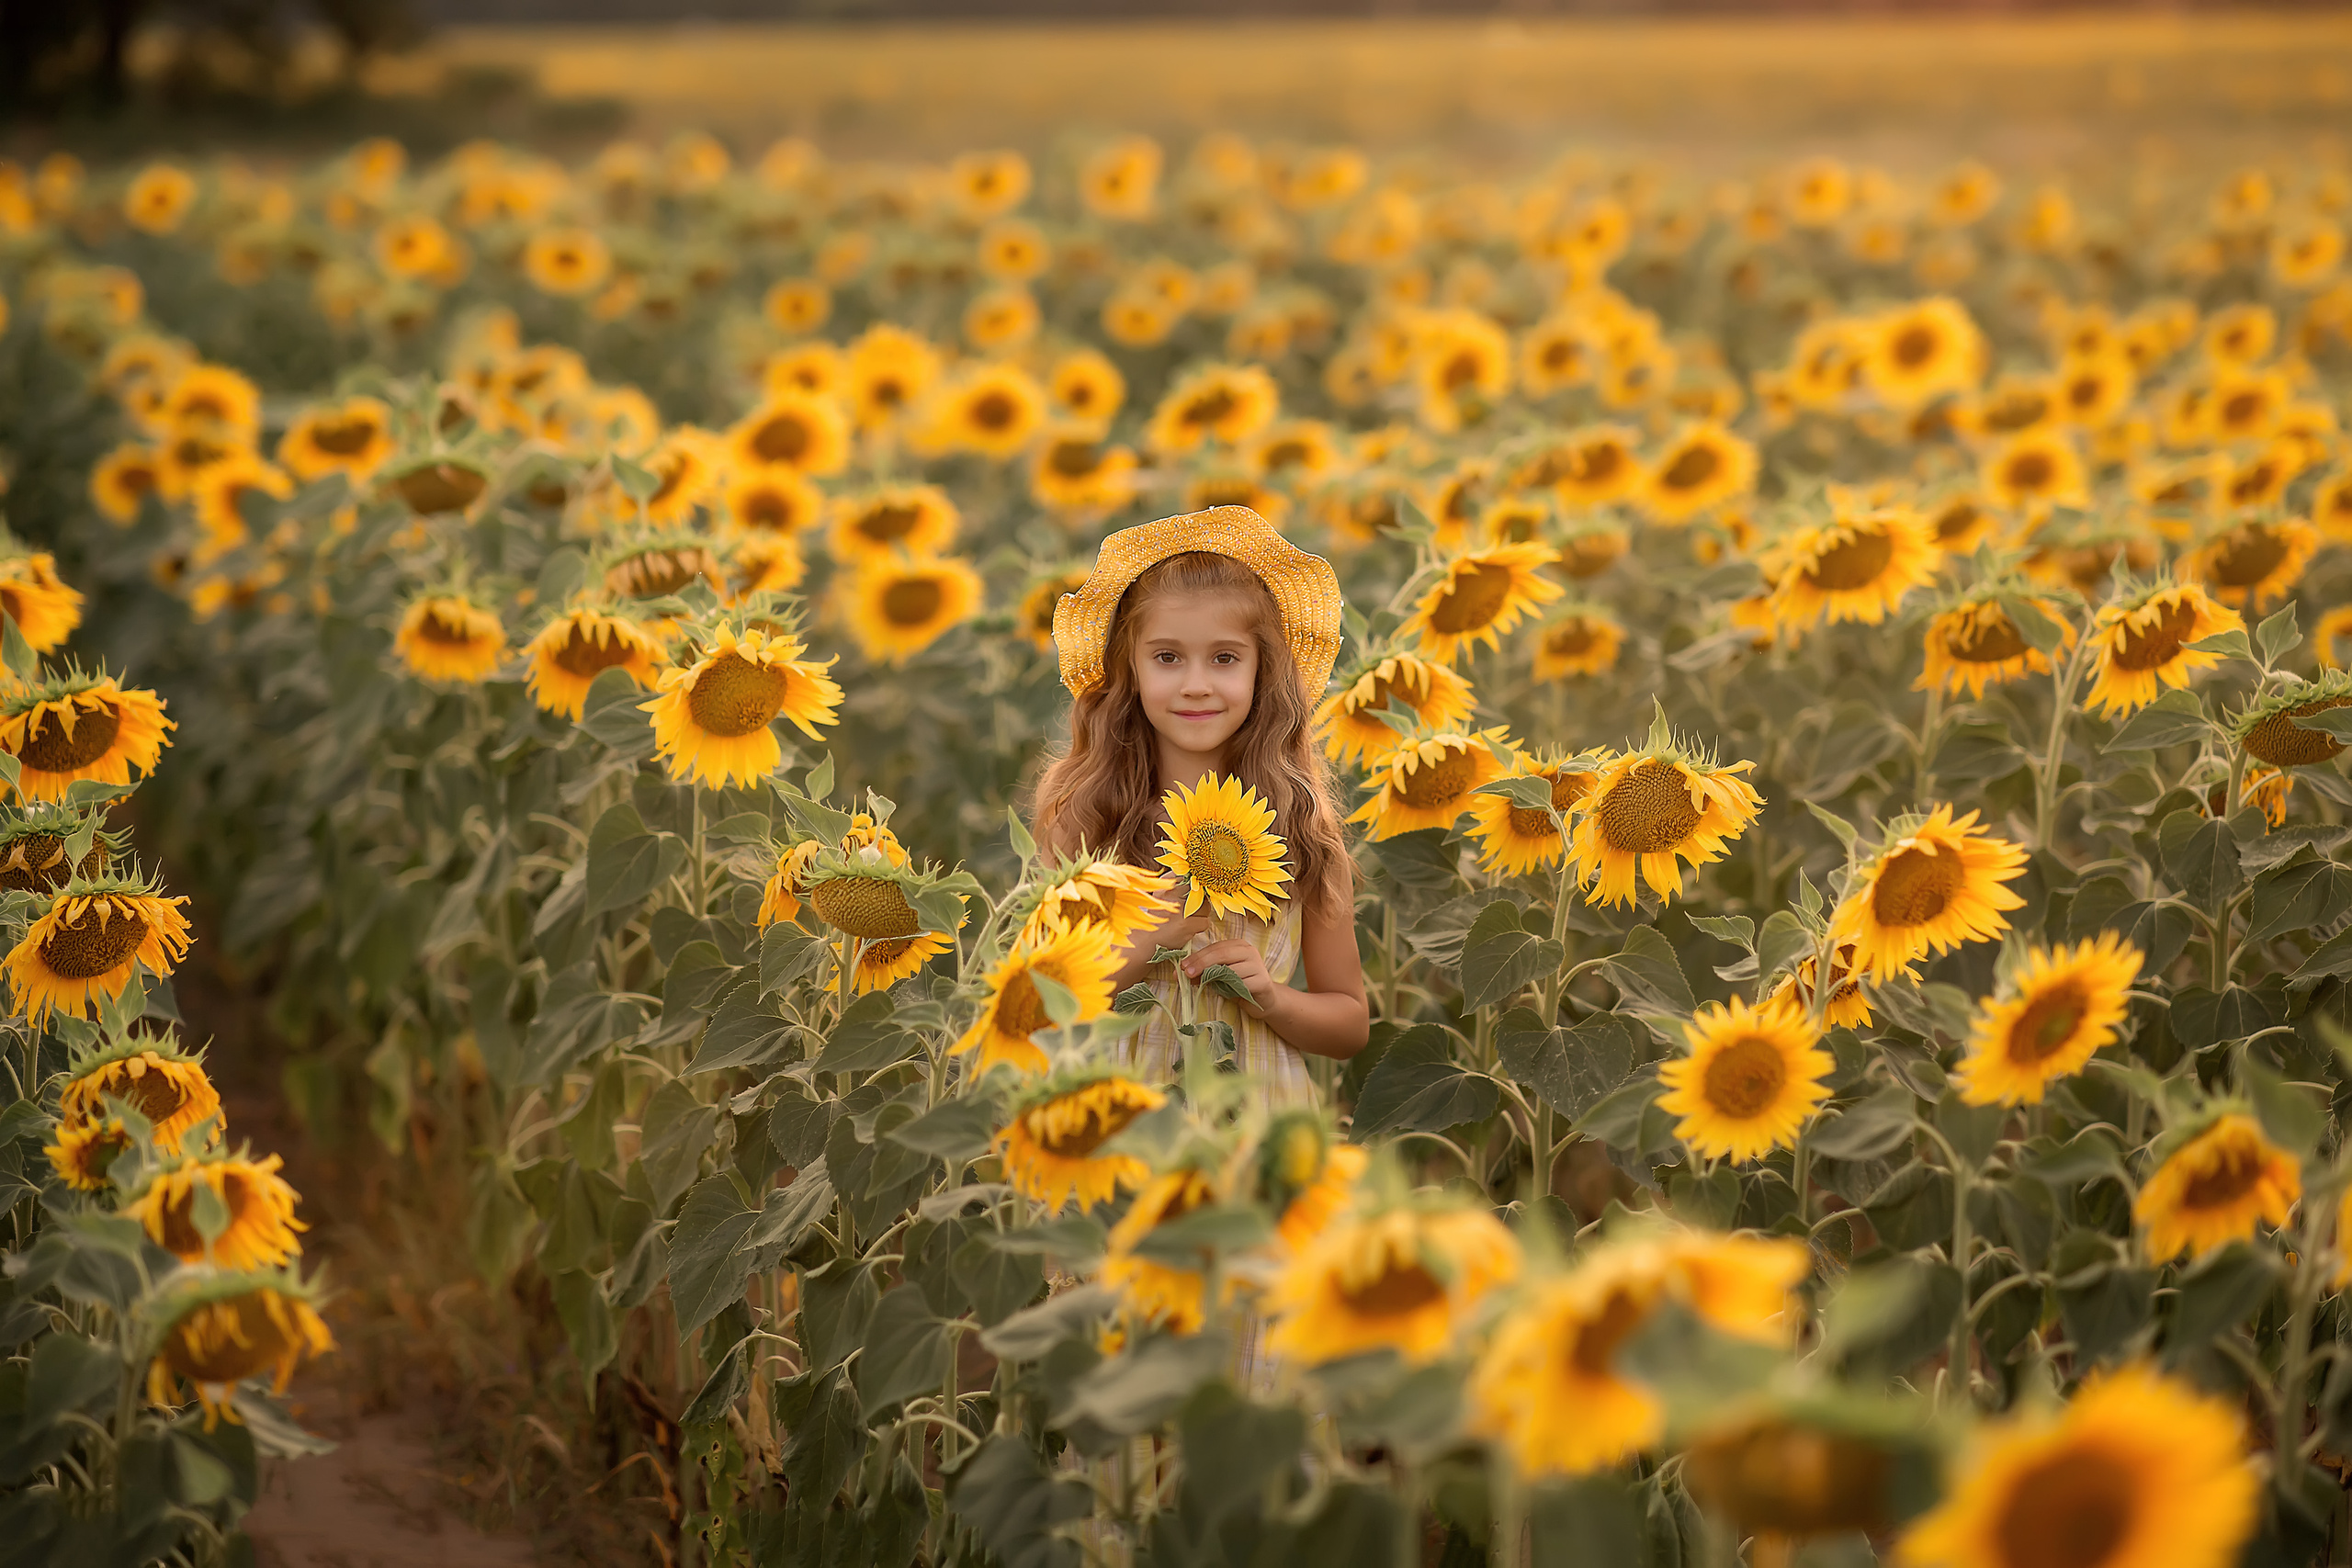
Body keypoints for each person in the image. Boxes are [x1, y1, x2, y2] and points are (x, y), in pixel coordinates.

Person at [1030, 505, 1369, 1106]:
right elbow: (1041, 1005)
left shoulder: (1299, 822)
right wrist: (1146, 941)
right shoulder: (1086, 815)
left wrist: (1271, 997)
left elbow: (1349, 1022)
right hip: (1126, 1126)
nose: (1195, 683)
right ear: (1128, 669)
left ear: (1263, 670)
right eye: (1167, 657)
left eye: (1224, 657)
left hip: (1258, 1128)